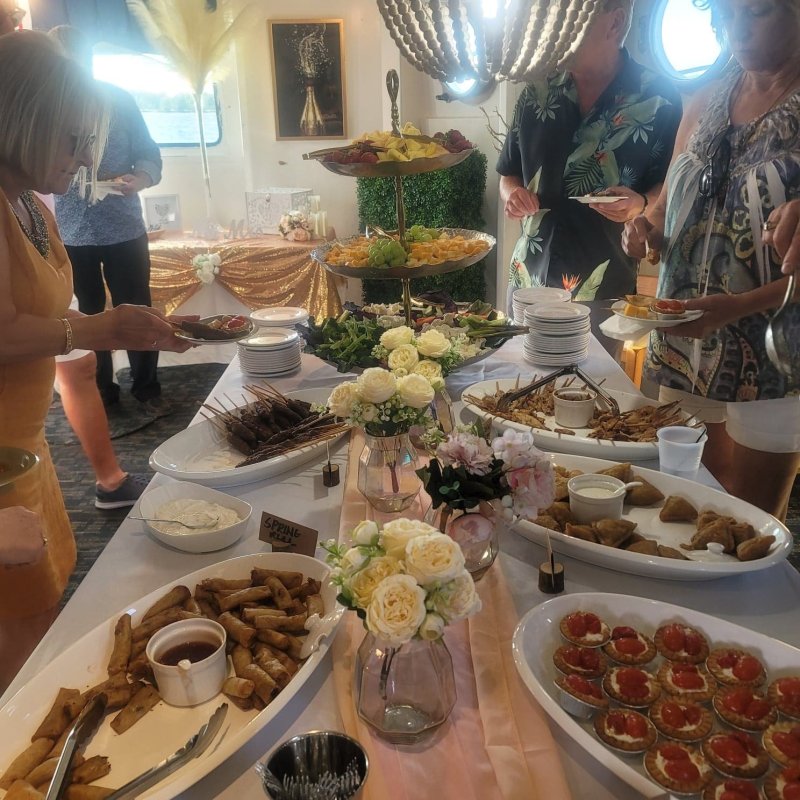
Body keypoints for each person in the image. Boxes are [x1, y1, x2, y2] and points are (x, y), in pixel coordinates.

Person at [0, 30, 191, 691]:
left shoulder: (27, 200)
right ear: (23, 120)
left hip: (25, 445)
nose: (84, 157)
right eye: (71, 139)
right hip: (1, 457)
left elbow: (56, 326)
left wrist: (118, 330)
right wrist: (103, 326)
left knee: (45, 611)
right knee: (21, 650)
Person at [622, 0, 800, 519]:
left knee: (743, 528)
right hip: (684, 346)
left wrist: (737, 306)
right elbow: (669, 205)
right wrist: (645, 232)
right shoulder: (710, 93)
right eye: (726, 16)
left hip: (772, 356)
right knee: (680, 513)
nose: (737, 32)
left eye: (758, 14)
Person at [497, 0, 682, 307]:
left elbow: (670, 187)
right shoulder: (536, 90)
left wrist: (641, 204)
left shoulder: (660, 99)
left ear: (615, 22)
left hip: (603, 291)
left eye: (573, 17)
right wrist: (513, 194)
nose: (559, 28)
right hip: (526, 282)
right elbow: (509, 173)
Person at [50, 25, 165, 410]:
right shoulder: (47, 106)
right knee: (86, 312)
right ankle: (102, 391)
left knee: (137, 303)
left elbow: (150, 154)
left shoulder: (119, 99)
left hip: (124, 223)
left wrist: (141, 177)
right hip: (71, 226)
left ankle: (147, 387)